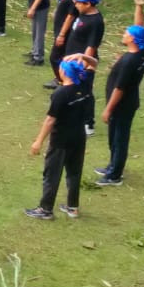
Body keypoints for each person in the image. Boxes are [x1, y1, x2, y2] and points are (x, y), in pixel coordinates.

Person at [27, 54, 94, 220]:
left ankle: (45, 209)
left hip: (60, 141)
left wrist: (38, 141)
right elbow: (94, 63)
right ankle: (73, 207)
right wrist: (83, 56)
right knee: (74, 173)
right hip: (79, 137)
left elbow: (50, 120)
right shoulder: (85, 85)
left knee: (52, 175)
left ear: (64, 72)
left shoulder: (60, 94)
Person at [97, 0, 144, 187]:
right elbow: (140, 28)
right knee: (116, 136)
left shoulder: (129, 61)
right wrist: (139, 7)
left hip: (121, 104)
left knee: (119, 138)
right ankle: (113, 166)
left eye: (126, 34)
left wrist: (108, 109)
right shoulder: (142, 52)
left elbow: (119, 88)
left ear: (132, 40)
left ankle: (114, 175)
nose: (124, 34)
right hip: (129, 101)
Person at [65, 0, 106, 134]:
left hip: (83, 63)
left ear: (88, 4)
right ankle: (74, 117)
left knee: (85, 91)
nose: (76, 4)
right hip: (71, 58)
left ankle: (88, 124)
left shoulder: (96, 22)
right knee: (73, 90)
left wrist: (82, 66)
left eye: (79, 2)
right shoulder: (83, 12)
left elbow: (91, 46)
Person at [45, 0, 82, 89]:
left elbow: (71, 16)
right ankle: (63, 79)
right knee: (62, 56)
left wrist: (61, 34)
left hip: (66, 31)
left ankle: (63, 80)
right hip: (60, 28)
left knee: (55, 57)